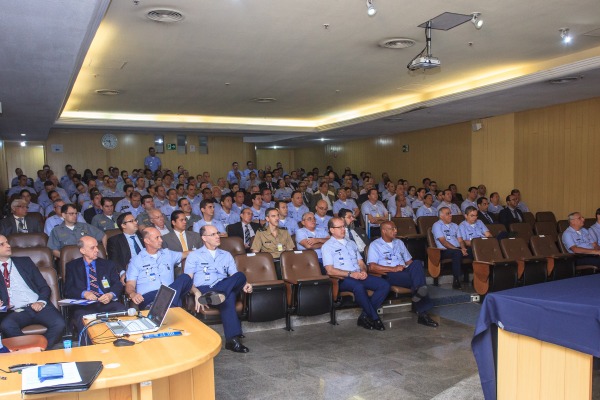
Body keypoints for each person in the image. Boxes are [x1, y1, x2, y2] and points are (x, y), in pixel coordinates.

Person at [187, 225, 253, 353]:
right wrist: (196, 292)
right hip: (205, 288)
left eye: (217, 233)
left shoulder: (226, 255)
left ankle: (219, 294)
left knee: (241, 276)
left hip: (222, 286)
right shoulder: (194, 256)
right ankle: (232, 340)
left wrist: (245, 284)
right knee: (230, 296)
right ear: (204, 238)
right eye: (213, 234)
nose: (218, 236)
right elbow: (187, 280)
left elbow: (234, 276)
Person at [322, 217, 389, 331]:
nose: (343, 229)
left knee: (384, 285)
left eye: (344, 226)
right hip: (342, 279)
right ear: (332, 230)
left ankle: (364, 316)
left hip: (359, 275)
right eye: (340, 227)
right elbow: (330, 270)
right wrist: (350, 274)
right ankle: (375, 318)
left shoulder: (351, 243)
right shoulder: (327, 246)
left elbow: (361, 262)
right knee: (359, 286)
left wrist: (363, 270)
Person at [367, 221, 438, 327]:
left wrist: (411, 269)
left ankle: (419, 290)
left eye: (396, 228)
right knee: (419, 283)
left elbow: (409, 262)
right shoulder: (375, 245)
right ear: (384, 231)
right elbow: (371, 267)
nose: (395, 231)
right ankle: (422, 313)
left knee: (417, 263)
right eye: (392, 229)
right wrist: (393, 269)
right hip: (389, 274)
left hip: (404, 271)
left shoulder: (399, 242)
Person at [0, 235, 65, 347]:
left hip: (38, 305)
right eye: (2, 244)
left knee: (60, 324)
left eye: (7, 242)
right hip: (16, 310)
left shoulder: (24, 262)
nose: (8, 246)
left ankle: (42, 349)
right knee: (7, 325)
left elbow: (44, 287)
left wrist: (40, 301)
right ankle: (28, 350)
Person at [64, 236, 125, 334]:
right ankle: (89, 347)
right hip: (84, 305)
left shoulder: (108, 264)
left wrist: (110, 295)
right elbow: (68, 289)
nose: (97, 250)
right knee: (81, 317)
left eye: (97, 247)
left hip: (106, 302)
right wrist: (84, 294)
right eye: (92, 248)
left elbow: (117, 284)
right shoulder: (72, 266)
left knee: (122, 310)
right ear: (82, 250)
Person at [126, 227, 194, 309]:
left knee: (185, 277)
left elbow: (186, 254)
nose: (161, 240)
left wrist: (205, 252)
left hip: (170, 292)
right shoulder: (136, 261)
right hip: (149, 296)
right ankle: (169, 305)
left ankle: (165, 305)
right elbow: (130, 284)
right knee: (174, 298)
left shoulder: (168, 254)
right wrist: (133, 294)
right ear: (147, 241)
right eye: (157, 238)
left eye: (160, 237)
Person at [431, 207, 471, 289]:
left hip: (458, 248)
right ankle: (456, 280)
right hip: (444, 251)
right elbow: (444, 242)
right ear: (441, 216)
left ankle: (478, 279)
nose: (450, 215)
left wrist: (463, 248)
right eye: (447, 214)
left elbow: (460, 240)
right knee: (457, 253)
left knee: (474, 251)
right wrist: (458, 250)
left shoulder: (455, 225)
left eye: (450, 213)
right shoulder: (437, 225)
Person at [107, 212, 145, 283]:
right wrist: (122, 273)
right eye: (131, 221)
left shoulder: (143, 235)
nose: (135, 223)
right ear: (123, 225)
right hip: (131, 271)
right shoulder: (114, 241)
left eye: (135, 220)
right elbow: (114, 260)